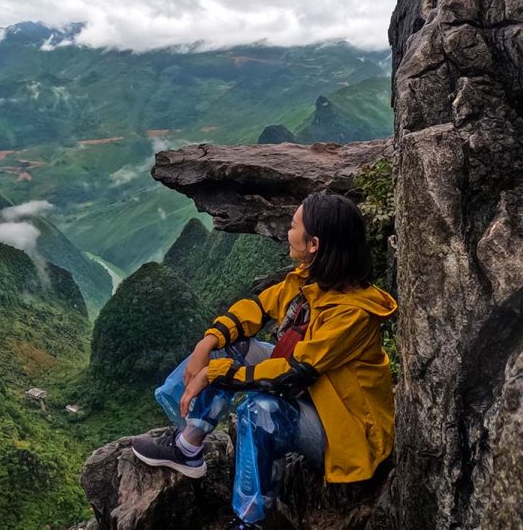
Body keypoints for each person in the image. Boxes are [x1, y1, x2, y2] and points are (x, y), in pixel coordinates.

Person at [131, 190, 398, 527]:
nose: (288, 231)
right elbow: (257, 308)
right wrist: (206, 343)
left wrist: (214, 374)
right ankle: (187, 446)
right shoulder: (309, 281)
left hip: (345, 428)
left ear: (313, 244)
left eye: (294, 225)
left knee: (259, 410)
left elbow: (294, 372)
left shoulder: (352, 314)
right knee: (230, 347)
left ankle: (250, 520)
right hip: (316, 394)